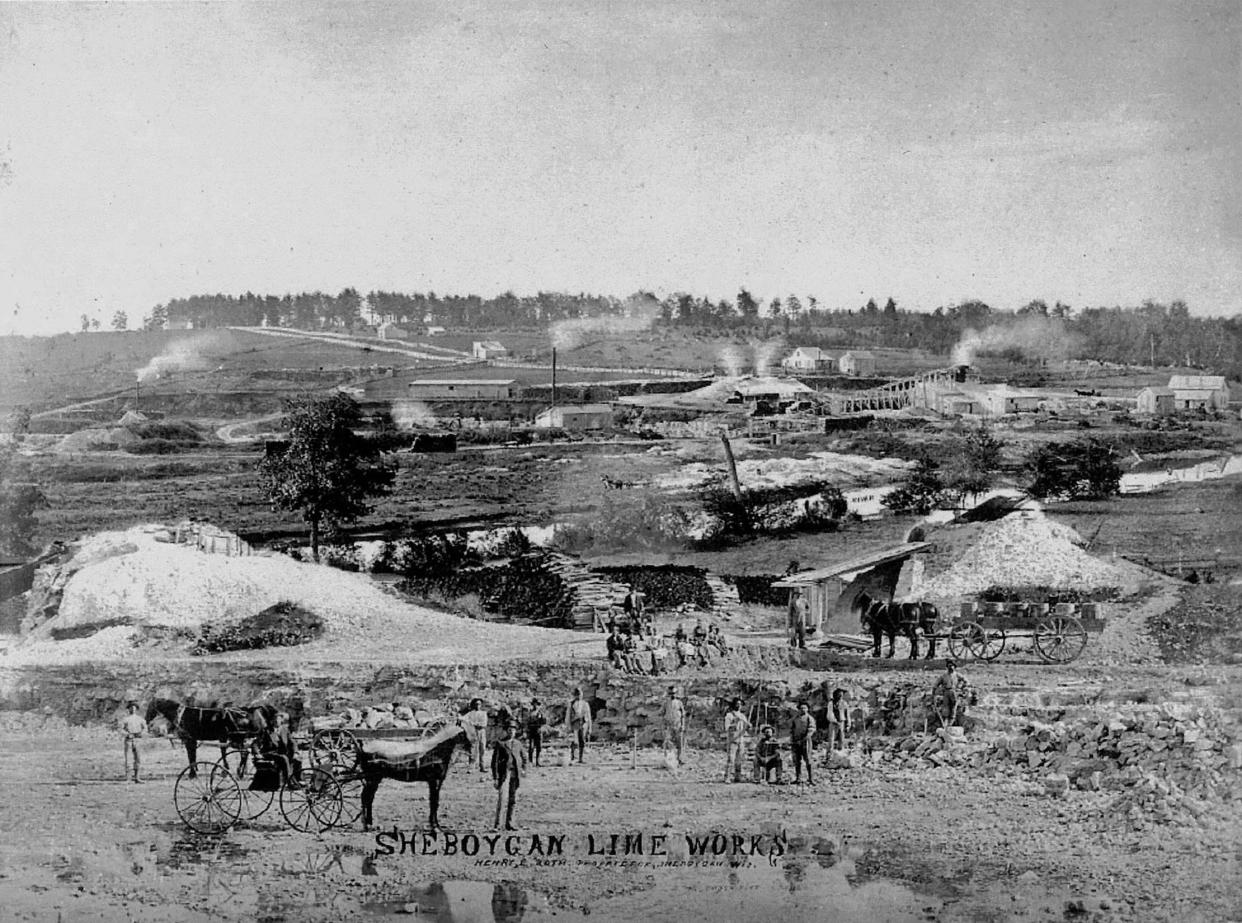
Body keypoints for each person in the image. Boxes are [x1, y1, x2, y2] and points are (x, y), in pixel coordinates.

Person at [491, 716, 524, 830]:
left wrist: (523, 769)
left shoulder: (518, 744)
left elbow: (524, 758)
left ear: (516, 731)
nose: (511, 732)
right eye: (509, 729)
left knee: (513, 799)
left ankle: (510, 823)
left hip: (515, 774)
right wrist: (495, 778)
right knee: (502, 799)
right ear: (506, 730)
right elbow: (494, 762)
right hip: (504, 774)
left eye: (513, 730)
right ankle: (497, 825)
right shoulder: (500, 744)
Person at [252, 711, 297, 787]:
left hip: (281, 753)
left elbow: (292, 742)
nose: (276, 721)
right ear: (272, 721)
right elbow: (255, 743)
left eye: (278, 719)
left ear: (281, 721)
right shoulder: (266, 731)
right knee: (284, 758)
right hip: (269, 753)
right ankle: (289, 782)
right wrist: (257, 753)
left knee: (296, 759)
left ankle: (297, 780)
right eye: (275, 719)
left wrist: (296, 752)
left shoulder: (284, 730)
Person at [932, 661, 970, 730]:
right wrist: (934, 691)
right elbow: (936, 683)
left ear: (954, 667)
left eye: (952, 666)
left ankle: (951, 722)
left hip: (954, 691)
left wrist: (962, 687)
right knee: (945, 706)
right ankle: (945, 722)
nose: (951, 668)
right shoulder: (944, 676)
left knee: (954, 707)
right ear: (947, 667)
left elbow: (966, 681)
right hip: (946, 692)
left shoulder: (957, 675)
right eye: (949, 666)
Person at [723, 698, 750, 783]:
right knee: (731, 759)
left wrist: (748, 726)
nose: (739, 705)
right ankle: (727, 777)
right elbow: (726, 728)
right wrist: (735, 722)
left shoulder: (742, 716)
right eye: (737, 704)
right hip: (732, 740)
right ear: (734, 705)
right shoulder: (729, 715)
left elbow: (746, 728)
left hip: (741, 740)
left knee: (739, 760)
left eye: (740, 704)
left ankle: (737, 777)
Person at [120, 701, 147, 784]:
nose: (133, 709)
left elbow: (145, 729)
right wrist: (127, 734)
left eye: (134, 708)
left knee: (138, 759)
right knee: (128, 759)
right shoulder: (125, 719)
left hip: (138, 740)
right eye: (131, 708)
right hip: (129, 740)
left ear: (137, 710)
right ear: (128, 709)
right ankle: (128, 778)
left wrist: (141, 733)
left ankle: (137, 778)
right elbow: (120, 729)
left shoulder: (140, 719)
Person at [790, 702, 816, 785]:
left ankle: (811, 779)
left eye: (805, 708)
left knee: (808, 760)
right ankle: (798, 778)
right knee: (797, 760)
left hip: (806, 742)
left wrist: (804, 739)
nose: (803, 709)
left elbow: (811, 730)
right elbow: (792, 729)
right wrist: (793, 740)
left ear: (808, 709)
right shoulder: (795, 718)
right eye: (801, 708)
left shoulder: (810, 718)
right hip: (796, 742)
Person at [662, 686, 687, 766]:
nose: (672, 695)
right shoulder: (666, 703)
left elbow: (683, 714)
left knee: (680, 744)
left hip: (678, 725)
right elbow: (663, 713)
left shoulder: (679, 703)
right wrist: (664, 725)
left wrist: (683, 725)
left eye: (673, 693)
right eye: (671, 693)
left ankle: (680, 759)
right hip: (669, 725)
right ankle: (668, 760)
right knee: (668, 744)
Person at [566, 688, 592, 763]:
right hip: (575, 724)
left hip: (583, 724)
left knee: (582, 741)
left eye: (580, 694)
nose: (579, 696)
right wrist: (568, 725)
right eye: (578, 694)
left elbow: (589, 716)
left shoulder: (585, 704)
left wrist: (590, 727)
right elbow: (568, 716)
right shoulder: (571, 704)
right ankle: (573, 756)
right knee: (574, 741)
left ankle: (581, 758)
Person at [465, 698, 490, 771]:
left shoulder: (483, 713)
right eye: (476, 704)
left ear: (481, 705)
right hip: (473, 732)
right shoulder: (470, 713)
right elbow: (467, 722)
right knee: (473, 749)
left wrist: (474, 723)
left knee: (482, 749)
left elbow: (484, 724)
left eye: (479, 704)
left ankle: (482, 766)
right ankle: (471, 767)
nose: (477, 706)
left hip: (481, 732)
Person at [524, 699, 546, 767]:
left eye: (536, 704)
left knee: (539, 747)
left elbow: (544, 722)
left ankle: (537, 761)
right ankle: (530, 761)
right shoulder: (530, 713)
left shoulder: (540, 713)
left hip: (538, 730)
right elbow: (527, 722)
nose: (535, 705)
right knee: (531, 746)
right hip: (531, 730)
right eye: (534, 704)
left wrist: (541, 726)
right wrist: (526, 730)